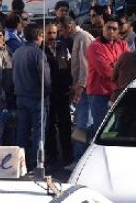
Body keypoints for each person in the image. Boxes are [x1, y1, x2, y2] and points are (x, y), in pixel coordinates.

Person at [12, 23, 51, 170]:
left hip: (21, 97)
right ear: (39, 36)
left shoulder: (17, 52)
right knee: (38, 133)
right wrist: (47, 94)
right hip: (36, 98)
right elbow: (45, 80)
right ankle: (37, 164)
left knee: (22, 131)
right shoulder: (38, 53)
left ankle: (20, 164)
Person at [57, 16, 94, 167]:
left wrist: (81, 86)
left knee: (82, 123)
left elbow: (86, 65)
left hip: (85, 89)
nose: (60, 34)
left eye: (61, 30)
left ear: (69, 27)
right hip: (82, 87)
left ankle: (79, 159)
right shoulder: (78, 38)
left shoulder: (83, 38)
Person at [86, 14, 129, 134]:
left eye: (114, 29)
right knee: (102, 131)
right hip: (100, 94)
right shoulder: (95, 46)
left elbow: (129, 66)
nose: (111, 31)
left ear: (118, 30)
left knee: (118, 130)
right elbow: (106, 72)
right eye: (108, 27)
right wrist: (119, 67)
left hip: (118, 92)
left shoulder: (122, 44)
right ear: (103, 27)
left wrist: (115, 66)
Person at [44, 23, 73, 165]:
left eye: (54, 33)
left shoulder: (63, 47)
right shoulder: (40, 49)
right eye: (49, 33)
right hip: (48, 93)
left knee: (65, 124)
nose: (52, 36)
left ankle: (67, 154)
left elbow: (69, 65)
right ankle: (52, 155)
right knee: (49, 125)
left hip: (63, 92)